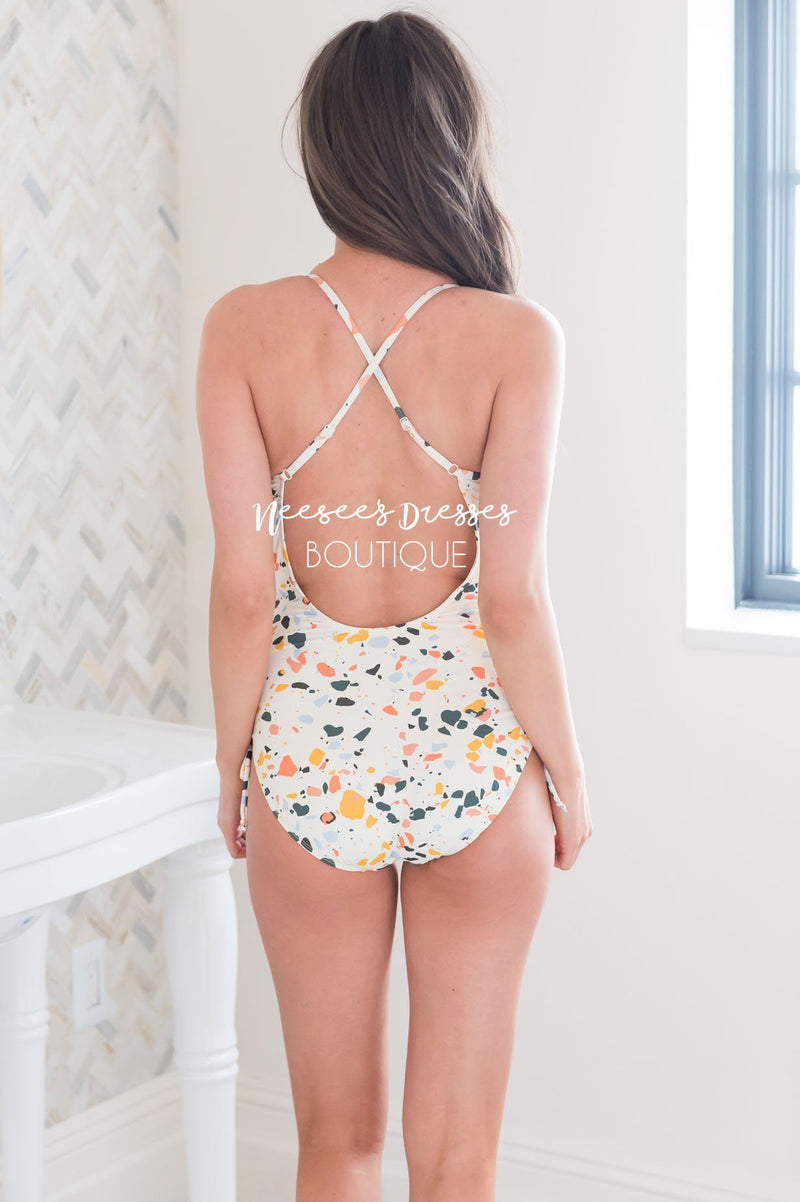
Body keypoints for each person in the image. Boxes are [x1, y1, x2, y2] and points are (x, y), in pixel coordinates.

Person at [196, 11, 592, 1201]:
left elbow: (242, 584)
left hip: (307, 758)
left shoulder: (243, 326)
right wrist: (567, 770)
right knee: (458, 1160)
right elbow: (512, 596)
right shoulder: (514, 337)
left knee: (335, 1141)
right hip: (474, 761)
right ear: (449, 143)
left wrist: (234, 762)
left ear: (325, 148)